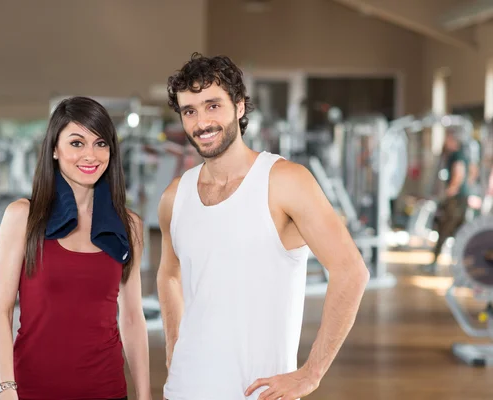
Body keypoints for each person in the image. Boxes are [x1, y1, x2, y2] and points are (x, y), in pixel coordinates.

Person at [156, 53, 370, 400]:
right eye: (189, 111)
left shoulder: (286, 181)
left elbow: (351, 272)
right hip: (184, 389)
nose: (201, 122)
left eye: (213, 106)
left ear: (239, 107)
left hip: (259, 393)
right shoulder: (174, 196)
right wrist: (173, 351)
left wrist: (310, 374)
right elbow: (168, 275)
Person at [0, 97, 151, 400]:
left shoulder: (129, 225)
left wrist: (144, 395)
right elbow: (1, 310)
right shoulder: (23, 217)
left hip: (107, 389)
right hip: (34, 390)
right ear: (54, 149)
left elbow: (131, 317)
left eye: (100, 143)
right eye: (77, 143)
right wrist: (5, 389)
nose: (90, 155)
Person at [427, 128, 470, 271]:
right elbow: (472, 171)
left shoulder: (456, 155)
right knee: (459, 231)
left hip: (455, 199)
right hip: (461, 198)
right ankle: (462, 264)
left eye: (447, 139)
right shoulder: (462, 155)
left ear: (452, 140)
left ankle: (434, 263)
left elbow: (459, 172)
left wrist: (450, 191)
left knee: (444, 230)